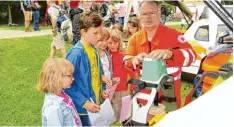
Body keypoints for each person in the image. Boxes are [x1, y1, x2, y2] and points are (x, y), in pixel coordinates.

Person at [123, 1, 196, 110]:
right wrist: (134, 59)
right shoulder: (134, 39)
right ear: (139, 17)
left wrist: (170, 54)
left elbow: (192, 56)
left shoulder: (173, 35)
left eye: (152, 13)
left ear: (159, 13)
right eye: (144, 14)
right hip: (143, 97)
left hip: (168, 97)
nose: (148, 17)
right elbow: (125, 59)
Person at [65, 11, 112, 126]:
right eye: (95, 33)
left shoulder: (94, 50)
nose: (100, 36)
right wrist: (84, 102)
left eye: (100, 32)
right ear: (83, 32)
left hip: (95, 104)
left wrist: (101, 86)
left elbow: (91, 74)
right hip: (83, 110)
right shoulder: (76, 54)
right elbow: (64, 84)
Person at [38, 58, 82, 126]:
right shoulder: (53, 107)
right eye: (69, 75)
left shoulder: (62, 94)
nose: (73, 78)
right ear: (57, 77)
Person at [107, 29, 128, 122]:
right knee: (111, 102)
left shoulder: (123, 54)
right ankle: (113, 118)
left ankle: (122, 118)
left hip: (122, 85)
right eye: (110, 43)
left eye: (115, 43)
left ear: (120, 42)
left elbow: (129, 69)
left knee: (122, 103)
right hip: (110, 84)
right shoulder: (106, 54)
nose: (113, 45)